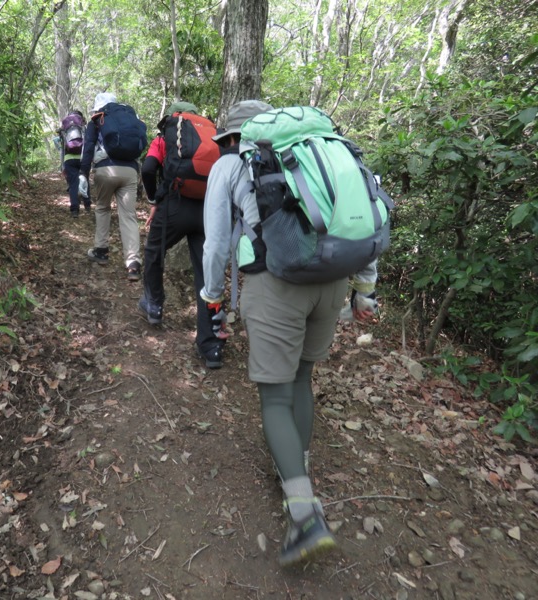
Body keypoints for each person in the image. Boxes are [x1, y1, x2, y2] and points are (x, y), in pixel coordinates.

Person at [200, 100, 378, 566]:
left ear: (232, 135)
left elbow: (217, 239)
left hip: (276, 284)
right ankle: (296, 464)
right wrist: (365, 290)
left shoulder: (231, 164)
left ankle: (304, 515)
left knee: (275, 395)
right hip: (332, 281)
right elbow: (362, 217)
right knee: (301, 378)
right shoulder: (321, 154)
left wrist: (212, 295)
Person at [138, 101, 225, 369]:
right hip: (207, 210)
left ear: (173, 114)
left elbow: (148, 168)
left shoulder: (168, 134)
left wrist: (155, 198)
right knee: (205, 272)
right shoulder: (210, 134)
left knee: (154, 251)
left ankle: (154, 305)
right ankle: (210, 345)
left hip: (174, 206)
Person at [79, 92, 143, 281]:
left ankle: (101, 250)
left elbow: (89, 146)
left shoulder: (97, 119)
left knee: (102, 208)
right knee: (129, 216)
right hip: (130, 171)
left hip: (105, 170)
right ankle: (133, 264)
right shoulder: (130, 117)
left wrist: (83, 173)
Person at [58, 110, 91, 218]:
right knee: (84, 179)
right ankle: (87, 204)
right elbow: (88, 143)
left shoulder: (65, 128)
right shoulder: (83, 126)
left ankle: (75, 210)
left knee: (73, 184)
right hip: (82, 158)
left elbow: (62, 148)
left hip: (69, 159)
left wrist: (62, 165)